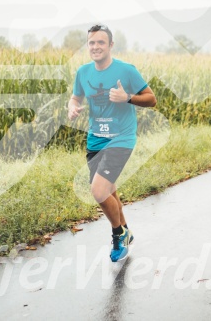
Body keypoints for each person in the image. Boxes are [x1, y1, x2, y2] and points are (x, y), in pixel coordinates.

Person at [68, 24, 157, 262]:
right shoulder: (83, 72)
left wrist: (127, 97)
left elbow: (151, 99)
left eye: (100, 42)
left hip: (121, 138)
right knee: (110, 190)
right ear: (88, 45)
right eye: (91, 43)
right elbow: (76, 96)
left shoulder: (126, 71)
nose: (95, 47)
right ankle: (126, 230)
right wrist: (72, 106)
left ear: (110, 45)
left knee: (98, 191)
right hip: (96, 139)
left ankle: (118, 234)